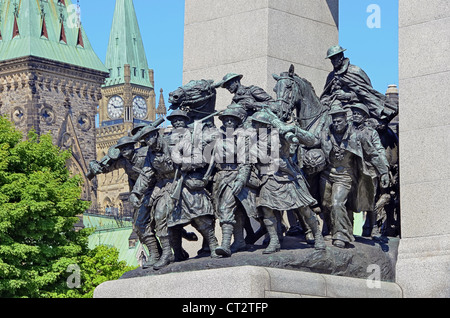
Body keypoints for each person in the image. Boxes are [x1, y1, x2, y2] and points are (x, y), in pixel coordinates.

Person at [250, 111, 326, 254]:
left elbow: (311, 141)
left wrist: (294, 130)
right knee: (266, 209)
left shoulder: (281, 134)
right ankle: (274, 240)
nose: (253, 125)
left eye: (256, 123)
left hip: (288, 176)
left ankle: (317, 236)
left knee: (304, 209)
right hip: (268, 177)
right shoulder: (253, 139)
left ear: (265, 125)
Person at [317, 104, 389, 248]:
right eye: (334, 121)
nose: (336, 124)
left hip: (345, 176)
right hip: (326, 174)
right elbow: (311, 141)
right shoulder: (325, 133)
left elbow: (374, 154)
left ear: (345, 120)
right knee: (326, 204)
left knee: (337, 203)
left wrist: (384, 171)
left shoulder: (358, 136)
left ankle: (341, 235)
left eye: (339, 121)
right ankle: (331, 229)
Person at [212, 107, 260, 257]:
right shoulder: (217, 139)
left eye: (232, 120)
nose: (228, 122)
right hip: (220, 178)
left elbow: (246, 163)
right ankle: (239, 241)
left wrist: (240, 180)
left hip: (235, 176)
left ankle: (225, 244)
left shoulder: (243, 139)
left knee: (227, 209)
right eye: (226, 120)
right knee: (236, 211)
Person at [320, 45, 397, 122]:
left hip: (354, 107)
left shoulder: (355, 71)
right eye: (331, 59)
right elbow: (326, 94)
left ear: (341, 56)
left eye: (334, 58)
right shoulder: (331, 76)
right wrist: (326, 100)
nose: (332, 62)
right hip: (335, 107)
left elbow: (367, 94)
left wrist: (347, 96)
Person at [351, 103, 389, 239]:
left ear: (365, 116)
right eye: (354, 112)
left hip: (369, 170)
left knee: (370, 200)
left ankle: (373, 228)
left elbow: (379, 150)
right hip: (352, 170)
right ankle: (349, 229)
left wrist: (384, 169)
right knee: (350, 201)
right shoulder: (348, 130)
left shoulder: (371, 132)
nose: (355, 115)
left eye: (359, 113)